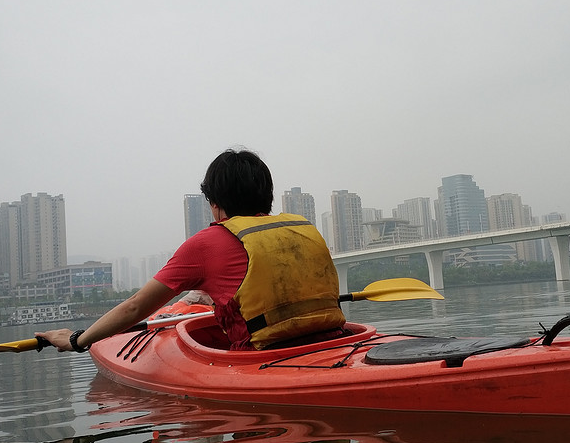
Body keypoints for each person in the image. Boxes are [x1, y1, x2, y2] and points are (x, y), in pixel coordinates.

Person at [38, 149, 346, 354]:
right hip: (336, 342)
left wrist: (77, 339)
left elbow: (134, 308)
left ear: (214, 204)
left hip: (264, 357)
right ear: (267, 196)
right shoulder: (302, 228)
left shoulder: (205, 245)